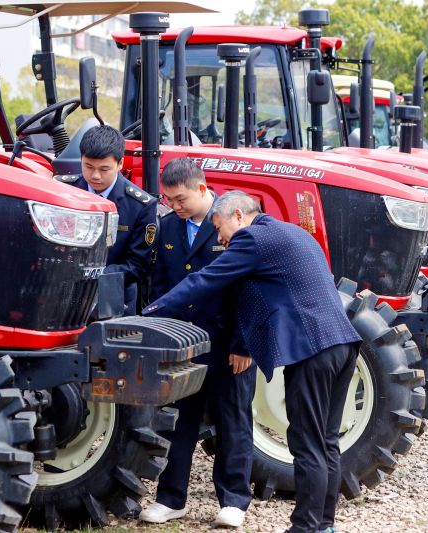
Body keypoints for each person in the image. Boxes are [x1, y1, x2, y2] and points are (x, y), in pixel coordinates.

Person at [143, 191, 362, 533]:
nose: (219, 239)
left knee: (306, 443)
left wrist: (151, 312)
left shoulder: (252, 239)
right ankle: (323, 525)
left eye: (219, 228)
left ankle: (304, 528)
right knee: (326, 441)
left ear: (239, 216)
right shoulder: (295, 233)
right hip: (344, 343)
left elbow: (205, 279)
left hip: (313, 350)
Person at [139, 159, 255, 528]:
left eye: (181, 199)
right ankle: (170, 499)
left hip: (228, 343)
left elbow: (248, 291)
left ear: (202, 189)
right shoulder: (169, 227)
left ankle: (233, 500)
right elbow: (161, 285)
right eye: (169, 200)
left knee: (232, 419)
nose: (175, 206)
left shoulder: (232, 223)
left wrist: (243, 344)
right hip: (183, 343)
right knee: (177, 421)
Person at [57, 125, 156, 314]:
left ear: (120, 164)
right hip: (62, 291)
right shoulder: (63, 191)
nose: (95, 176)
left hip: (113, 297)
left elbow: (137, 265)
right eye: (88, 167)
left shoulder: (140, 205)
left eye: (104, 169)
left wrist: (90, 275)